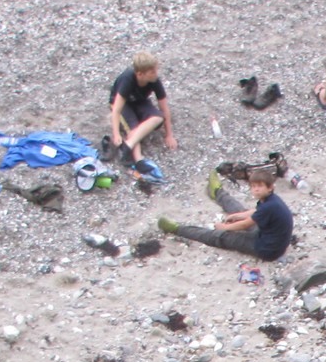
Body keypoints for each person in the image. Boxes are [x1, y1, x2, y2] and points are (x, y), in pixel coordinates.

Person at [157, 168, 293, 260]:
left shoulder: (269, 206)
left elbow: (246, 224)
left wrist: (224, 227)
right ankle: (217, 192)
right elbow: (254, 213)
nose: (256, 190)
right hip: (268, 236)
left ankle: (177, 229)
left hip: (266, 249)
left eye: (260, 186)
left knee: (222, 237)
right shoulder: (270, 200)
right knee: (240, 211)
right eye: (253, 186)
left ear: (270, 188)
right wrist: (237, 216)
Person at [108, 52, 177, 165]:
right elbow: (116, 109)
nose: (156, 74)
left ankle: (127, 145)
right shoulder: (127, 79)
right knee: (133, 128)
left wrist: (169, 135)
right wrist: (116, 134)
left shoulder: (154, 80)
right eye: (152, 72)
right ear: (140, 74)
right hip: (123, 103)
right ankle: (138, 159)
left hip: (140, 101)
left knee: (159, 118)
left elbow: (164, 108)